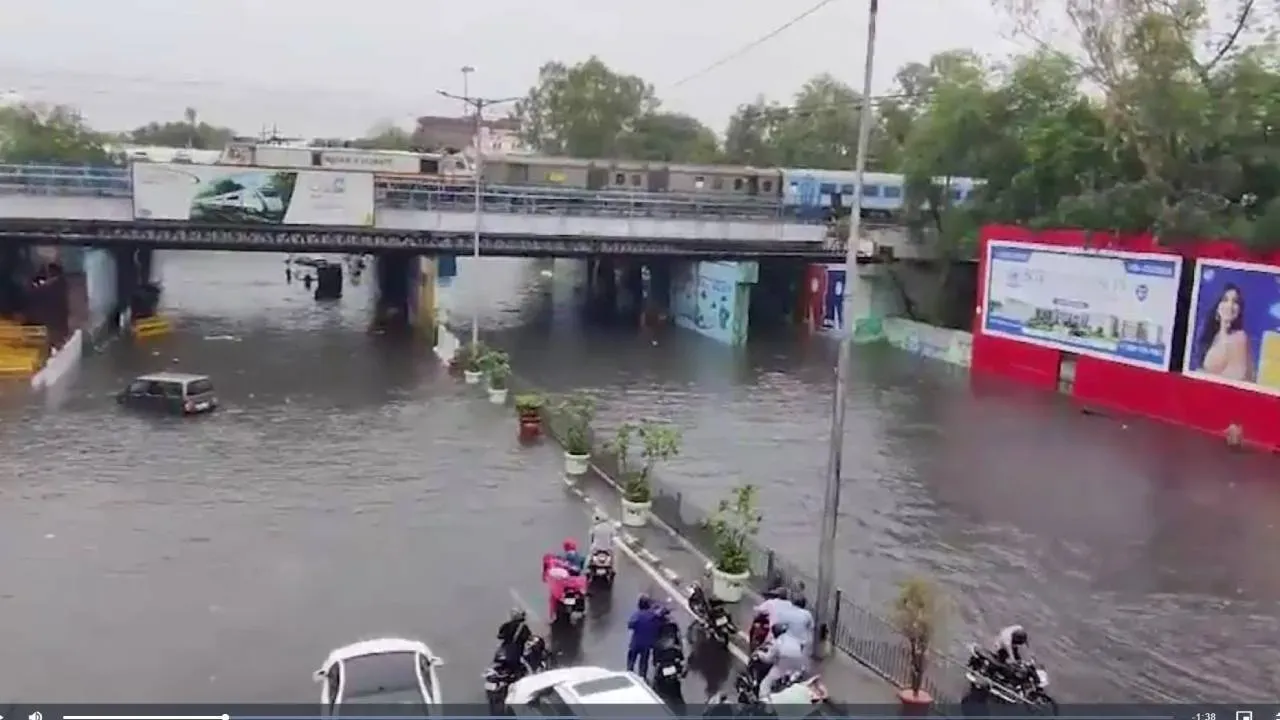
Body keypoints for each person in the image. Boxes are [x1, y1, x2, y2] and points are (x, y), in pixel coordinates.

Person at [1193, 283, 1255, 382]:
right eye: (1225, 300)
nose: (1230, 305)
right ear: (1217, 306)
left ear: (1239, 309)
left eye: (1235, 302)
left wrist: (1202, 374)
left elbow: (1238, 379)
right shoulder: (1212, 337)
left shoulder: (1239, 337)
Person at [757, 624, 807, 698]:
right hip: (798, 667)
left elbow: (768, 659)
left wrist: (759, 654)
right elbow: (803, 644)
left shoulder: (777, 643)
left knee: (765, 684)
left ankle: (763, 702)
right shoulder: (794, 637)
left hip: (783, 668)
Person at [626, 595, 663, 678]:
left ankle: (629, 676)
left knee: (631, 661)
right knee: (643, 663)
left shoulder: (637, 615)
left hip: (635, 643)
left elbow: (630, 625)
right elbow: (659, 623)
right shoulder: (653, 615)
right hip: (646, 645)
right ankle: (642, 678)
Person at [495, 609, 532, 675]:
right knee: (517, 666)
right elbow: (527, 637)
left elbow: (500, 635)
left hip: (506, 648)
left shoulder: (506, 625)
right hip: (517, 648)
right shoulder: (523, 626)